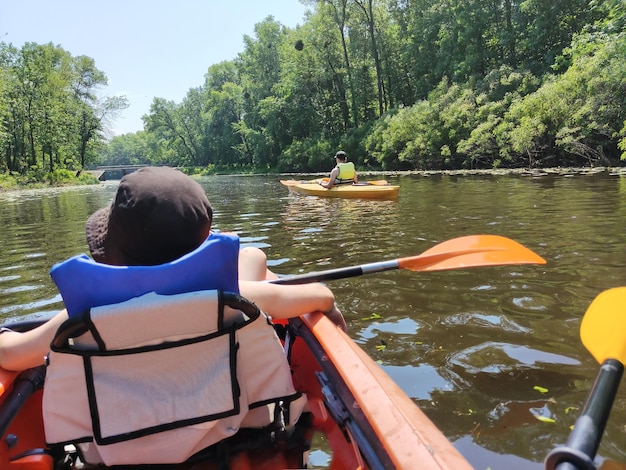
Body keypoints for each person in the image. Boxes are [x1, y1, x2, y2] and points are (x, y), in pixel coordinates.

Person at [0, 166, 346, 372]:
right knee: (253, 257)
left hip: (118, 453)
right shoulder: (233, 295)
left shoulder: (84, 314)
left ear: (115, 252)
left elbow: (11, 355)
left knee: (252, 257)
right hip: (223, 431)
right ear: (203, 244)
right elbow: (322, 296)